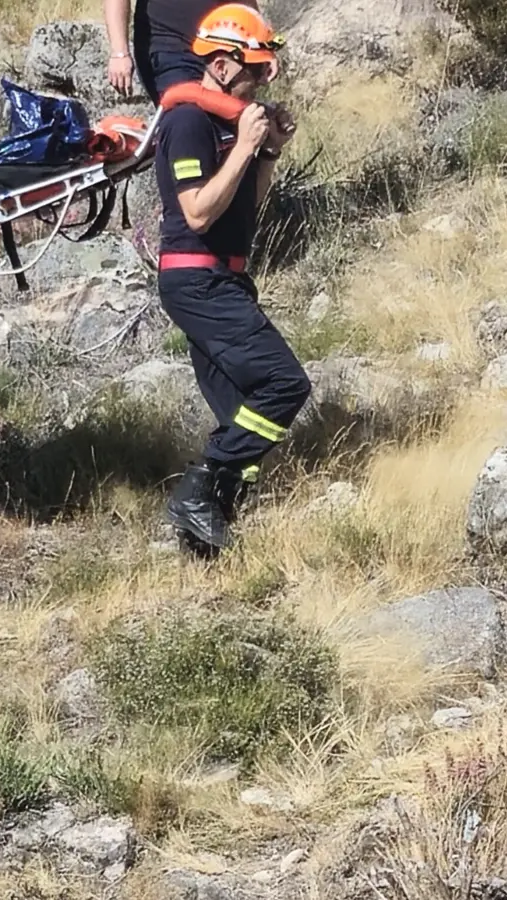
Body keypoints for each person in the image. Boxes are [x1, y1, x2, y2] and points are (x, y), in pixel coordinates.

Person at [153, 4, 309, 555]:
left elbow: (247, 206)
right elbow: (197, 213)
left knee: (239, 409)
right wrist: (243, 145)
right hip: (198, 281)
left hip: (226, 278)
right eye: (255, 70)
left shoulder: (227, 121)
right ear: (220, 66)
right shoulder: (188, 122)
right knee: (285, 385)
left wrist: (266, 152)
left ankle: (207, 542)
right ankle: (197, 490)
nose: (263, 80)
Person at [103, 0, 278, 104]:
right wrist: (119, 53)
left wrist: (262, 47)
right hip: (170, 51)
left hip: (219, 51)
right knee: (190, 120)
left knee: (230, 127)